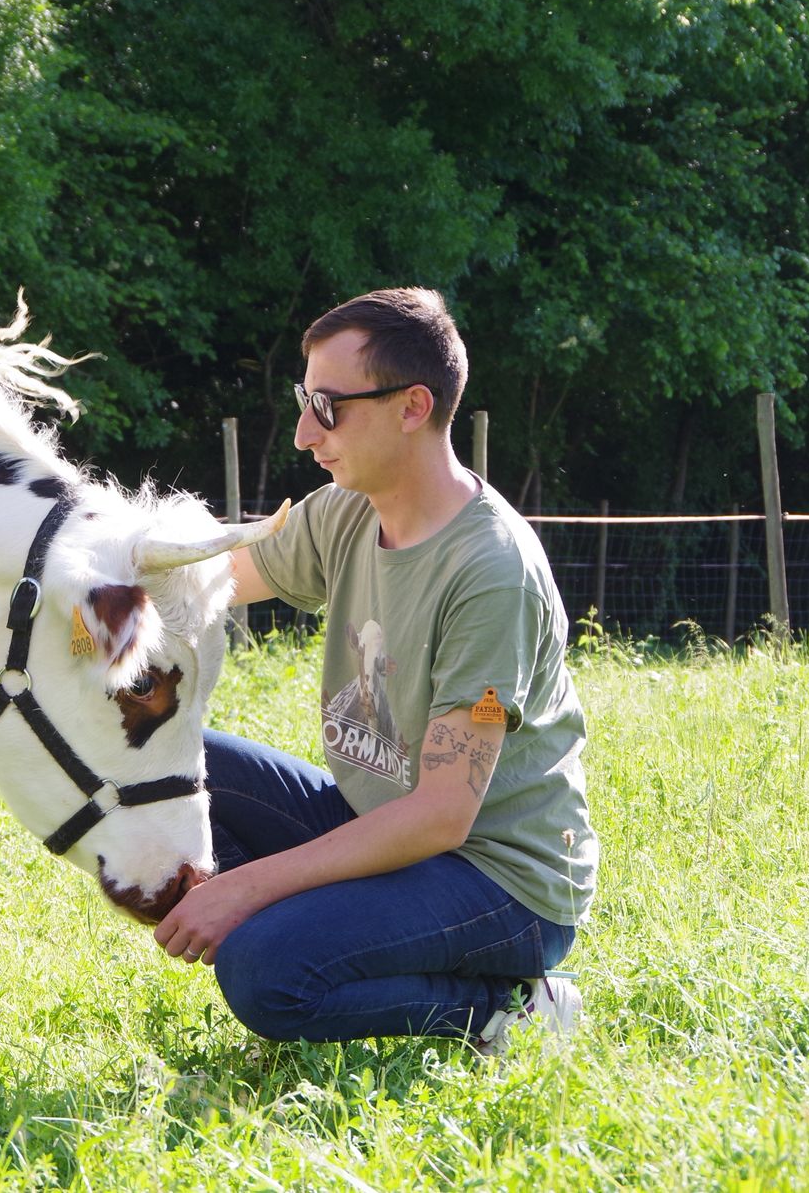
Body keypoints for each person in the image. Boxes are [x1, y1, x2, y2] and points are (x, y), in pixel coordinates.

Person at [153, 288, 598, 1048]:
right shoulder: (346, 510)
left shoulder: (491, 571)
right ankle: (326, 936)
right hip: (379, 823)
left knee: (265, 974)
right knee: (175, 760)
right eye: (304, 401)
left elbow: (443, 813)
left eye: (327, 407)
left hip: (499, 879)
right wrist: (87, 599)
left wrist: (246, 889)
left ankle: (511, 1010)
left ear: (412, 406)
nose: (302, 434)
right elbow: (209, 580)